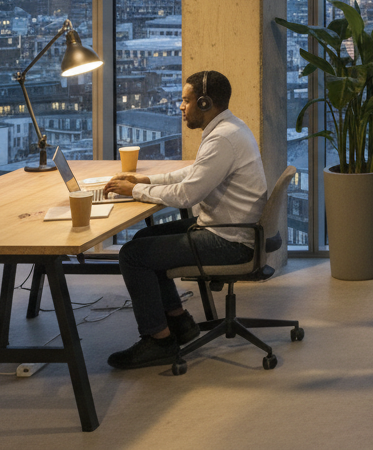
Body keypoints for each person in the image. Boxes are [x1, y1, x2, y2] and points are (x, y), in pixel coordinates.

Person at [103, 71, 267, 369]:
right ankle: (179, 322)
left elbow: (186, 195)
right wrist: (145, 178)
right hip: (228, 227)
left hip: (229, 240)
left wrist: (136, 190)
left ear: (205, 103)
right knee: (143, 240)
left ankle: (159, 341)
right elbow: (193, 174)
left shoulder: (223, 139)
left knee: (132, 256)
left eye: (186, 100)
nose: (181, 106)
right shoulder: (228, 128)